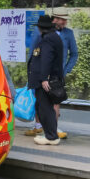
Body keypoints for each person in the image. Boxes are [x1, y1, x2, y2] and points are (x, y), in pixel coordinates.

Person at [24, 10, 77, 139]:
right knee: (42, 104)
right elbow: (35, 53)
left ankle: (51, 133)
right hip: (43, 74)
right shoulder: (45, 35)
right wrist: (32, 73)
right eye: (62, 19)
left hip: (50, 76)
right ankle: (41, 128)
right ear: (55, 20)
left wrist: (64, 70)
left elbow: (48, 58)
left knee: (48, 105)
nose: (64, 22)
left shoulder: (57, 36)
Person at [28, 14, 65, 146]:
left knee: (45, 108)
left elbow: (46, 59)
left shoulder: (48, 39)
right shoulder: (52, 37)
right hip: (48, 78)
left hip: (45, 80)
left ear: (40, 27)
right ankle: (50, 133)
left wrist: (44, 78)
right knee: (42, 107)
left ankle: (51, 136)